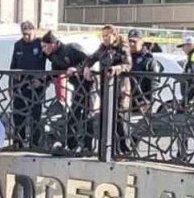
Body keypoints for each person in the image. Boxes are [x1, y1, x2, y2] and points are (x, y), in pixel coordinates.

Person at [41, 31, 94, 154]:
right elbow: (55, 71)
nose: (43, 50)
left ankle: (87, 147)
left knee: (88, 117)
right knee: (72, 117)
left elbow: (89, 60)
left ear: (53, 44)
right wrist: (43, 81)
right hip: (77, 87)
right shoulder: (53, 56)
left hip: (90, 85)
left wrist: (77, 69)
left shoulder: (71, 48)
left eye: (45, 46)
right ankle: (72, 146)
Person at [87, 24, 132, 156]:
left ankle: (125, 150)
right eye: (103, 36)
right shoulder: (103, 48)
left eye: (108, 35)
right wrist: (86, 68)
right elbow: (91, 58)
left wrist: (116, 69)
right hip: (106, 88)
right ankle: (108, 149)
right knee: (106, 117)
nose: (105, 38)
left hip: (121, 88)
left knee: (120, 119)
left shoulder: (122, 47)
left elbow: (128, 65)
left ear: (114, 35)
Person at [9, 20, 47, 150]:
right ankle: (18, 141)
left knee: (35, 114)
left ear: (34, 32)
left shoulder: (41, 43)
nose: (26, 37)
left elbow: (51, 63)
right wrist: (13, 83)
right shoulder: (18, 45)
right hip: (21, 85)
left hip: (36, 85)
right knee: (18, 113)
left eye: (28, 34)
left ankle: (35, 142)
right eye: (24, 34)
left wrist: (42, 80)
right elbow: (13, 66)